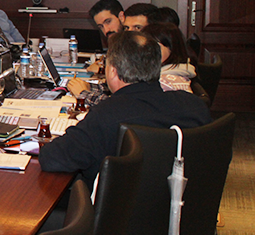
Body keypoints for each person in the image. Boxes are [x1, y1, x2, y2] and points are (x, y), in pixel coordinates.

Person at [39, 30, 211, 185]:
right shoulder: (194, 106)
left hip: (115, 208)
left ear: (112, 71)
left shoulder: (107, 114)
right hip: (181, 205)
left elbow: (51, 158)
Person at [141, 22, 196, 92]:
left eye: (156, 48)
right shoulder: (181, 73)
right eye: (144, 48)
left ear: (173, 49)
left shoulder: (165, 84)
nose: (148, 52)